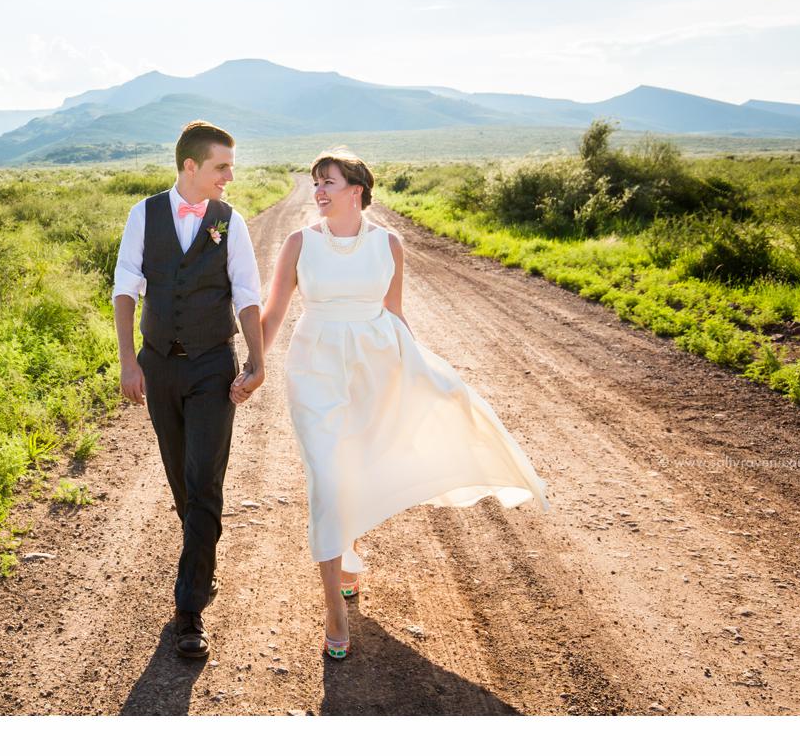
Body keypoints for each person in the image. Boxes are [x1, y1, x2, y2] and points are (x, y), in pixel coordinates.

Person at [232, 149, 550, 661]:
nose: (318, 191)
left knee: (360, 466)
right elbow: (272, 314)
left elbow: (396, 314)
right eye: (316, 183)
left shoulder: (389, 244)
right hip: (315, 366)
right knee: (326, 477)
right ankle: (334, 605)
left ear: (356, 190)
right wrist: (254, 366)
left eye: (328, 182)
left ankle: (348, 554)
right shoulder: (297, 244)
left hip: (375, 364)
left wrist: (427, 375)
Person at [112, 121, 264, 659]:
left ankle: (189, 610)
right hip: (159, 367)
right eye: (223, 166)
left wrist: (257, 359)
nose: (230, 176)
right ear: (191, 167)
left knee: (204, 484)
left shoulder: (231, 221)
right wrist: (129, 362)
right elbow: (126, 287)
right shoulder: (144, 214)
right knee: (181, 481)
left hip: (211, 368)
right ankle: (202, 557)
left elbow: (247, 292)